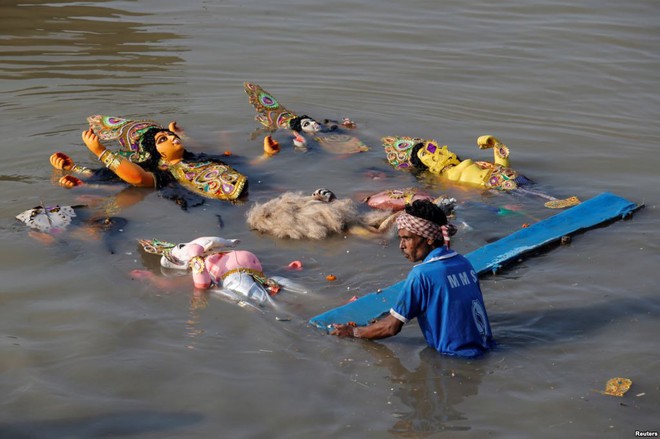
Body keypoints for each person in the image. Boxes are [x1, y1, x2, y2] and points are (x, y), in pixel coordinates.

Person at [331, 199, 494, 357]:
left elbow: (391, 327)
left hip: (454, 357)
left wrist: (353, 332)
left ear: (429, 238)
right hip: (486, 348)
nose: (401, 245)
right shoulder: (463, 263)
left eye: (407, 238)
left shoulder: (422, 274)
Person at [50, 115, 248, 203]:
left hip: (247, 189)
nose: (171, 137)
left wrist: (267, 155)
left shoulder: (201, 159)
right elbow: (136, 178)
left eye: (171, 136)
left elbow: (248, 165)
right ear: (156, 154)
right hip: (228, 206)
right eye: (163, 139)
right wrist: (85, 160)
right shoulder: (166, 175)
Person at [382, 135, 580, 208]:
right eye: (430, 154)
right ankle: (566, 208)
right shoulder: (440, 180)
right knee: (540, 199)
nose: (440, 152)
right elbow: (461, 193)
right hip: (496, 186)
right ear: (427, 166)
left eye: (435, 148)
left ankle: (572, 203)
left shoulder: (473, 163)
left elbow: (502, 166)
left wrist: (497, 145)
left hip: (508, 178)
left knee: (545, 193)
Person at [134, 236, 307, 307]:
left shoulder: (216, 254)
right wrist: (150, 277)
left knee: (286, 285)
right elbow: (200, 285)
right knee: (264, 299)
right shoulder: (200, 264)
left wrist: (285, 268)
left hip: (261, 276)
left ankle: (310, 300)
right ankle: (290, 308)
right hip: (233, 279)